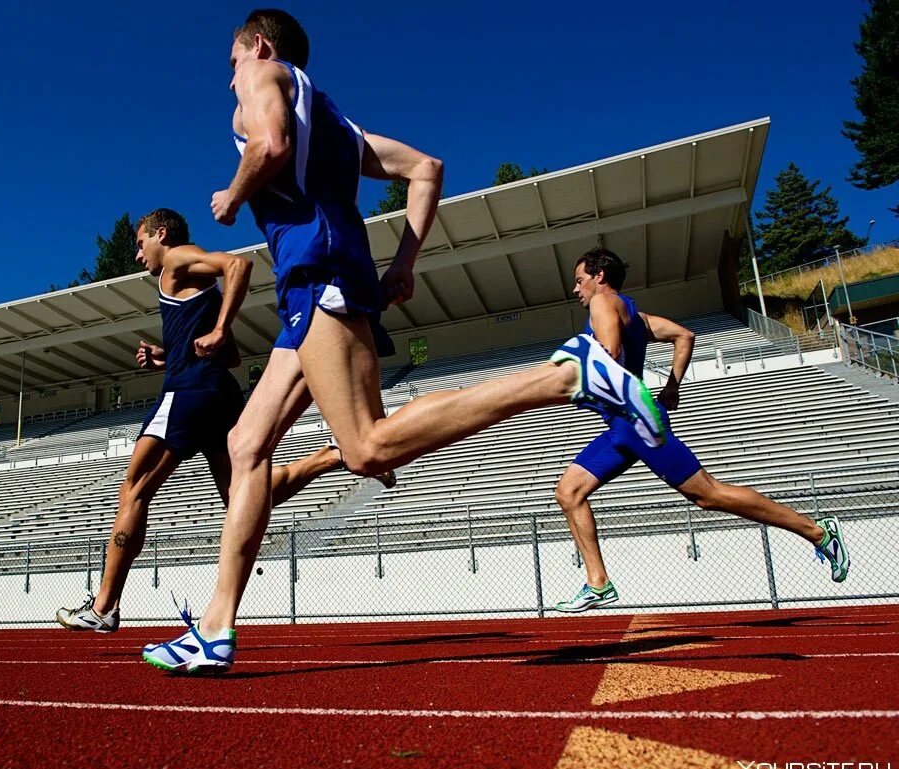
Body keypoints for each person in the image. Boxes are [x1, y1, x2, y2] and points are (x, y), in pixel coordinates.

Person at [140, 10, 666, 673]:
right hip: (317, 283)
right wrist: (404, 263)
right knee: (246, 445)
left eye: (231, 62)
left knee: (367, 448)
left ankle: (564, 377)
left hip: (319, 275)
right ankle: (216, 627)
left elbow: (268, 147)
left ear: (261, 47)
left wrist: (234, 194)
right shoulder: (334, 122)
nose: (229, 81)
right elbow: (426, 167)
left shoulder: (264, 77)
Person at [56, 208, 393, 632]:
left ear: (161, 234)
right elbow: (229, 355)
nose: (138, 254)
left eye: (140, 243)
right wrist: (171, 354)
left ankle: (103, 606)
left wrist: (218, 329)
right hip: (217, 393)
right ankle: (329, 458)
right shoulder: (198, 288)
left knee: (134, 488)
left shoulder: (178, 259)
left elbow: (239, 264)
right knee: (244, 497)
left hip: (188, 394)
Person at [552, 247, 849, 612]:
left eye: (580, 280)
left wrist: (572, 377)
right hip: (622, 427)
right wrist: (672, 386)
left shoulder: (603, 303)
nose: (576, 289)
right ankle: (598, 583)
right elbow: (685, 335)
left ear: (599, 276)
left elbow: (610, 354)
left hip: (637, 421)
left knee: (707, 494)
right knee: (569, 492)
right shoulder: (637, 315)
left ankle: (818, 532)